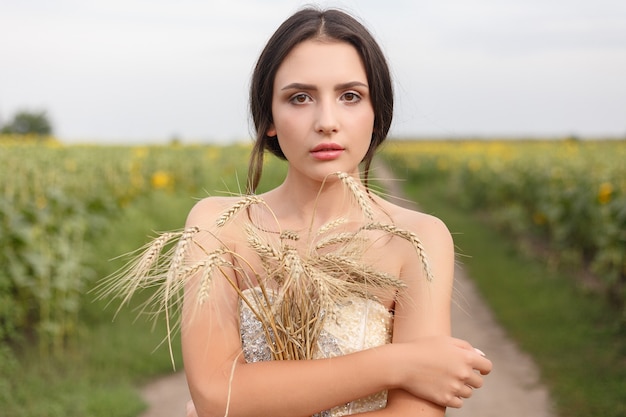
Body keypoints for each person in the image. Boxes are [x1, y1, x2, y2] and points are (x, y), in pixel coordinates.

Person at [108, 7, 492, 417]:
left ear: (376, 111)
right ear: (269, 117)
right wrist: (398, 364)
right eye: (300, 97)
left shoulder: (417, 238)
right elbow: (217, 394)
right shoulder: (219, 227)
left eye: (350, 96)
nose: (327, 121)